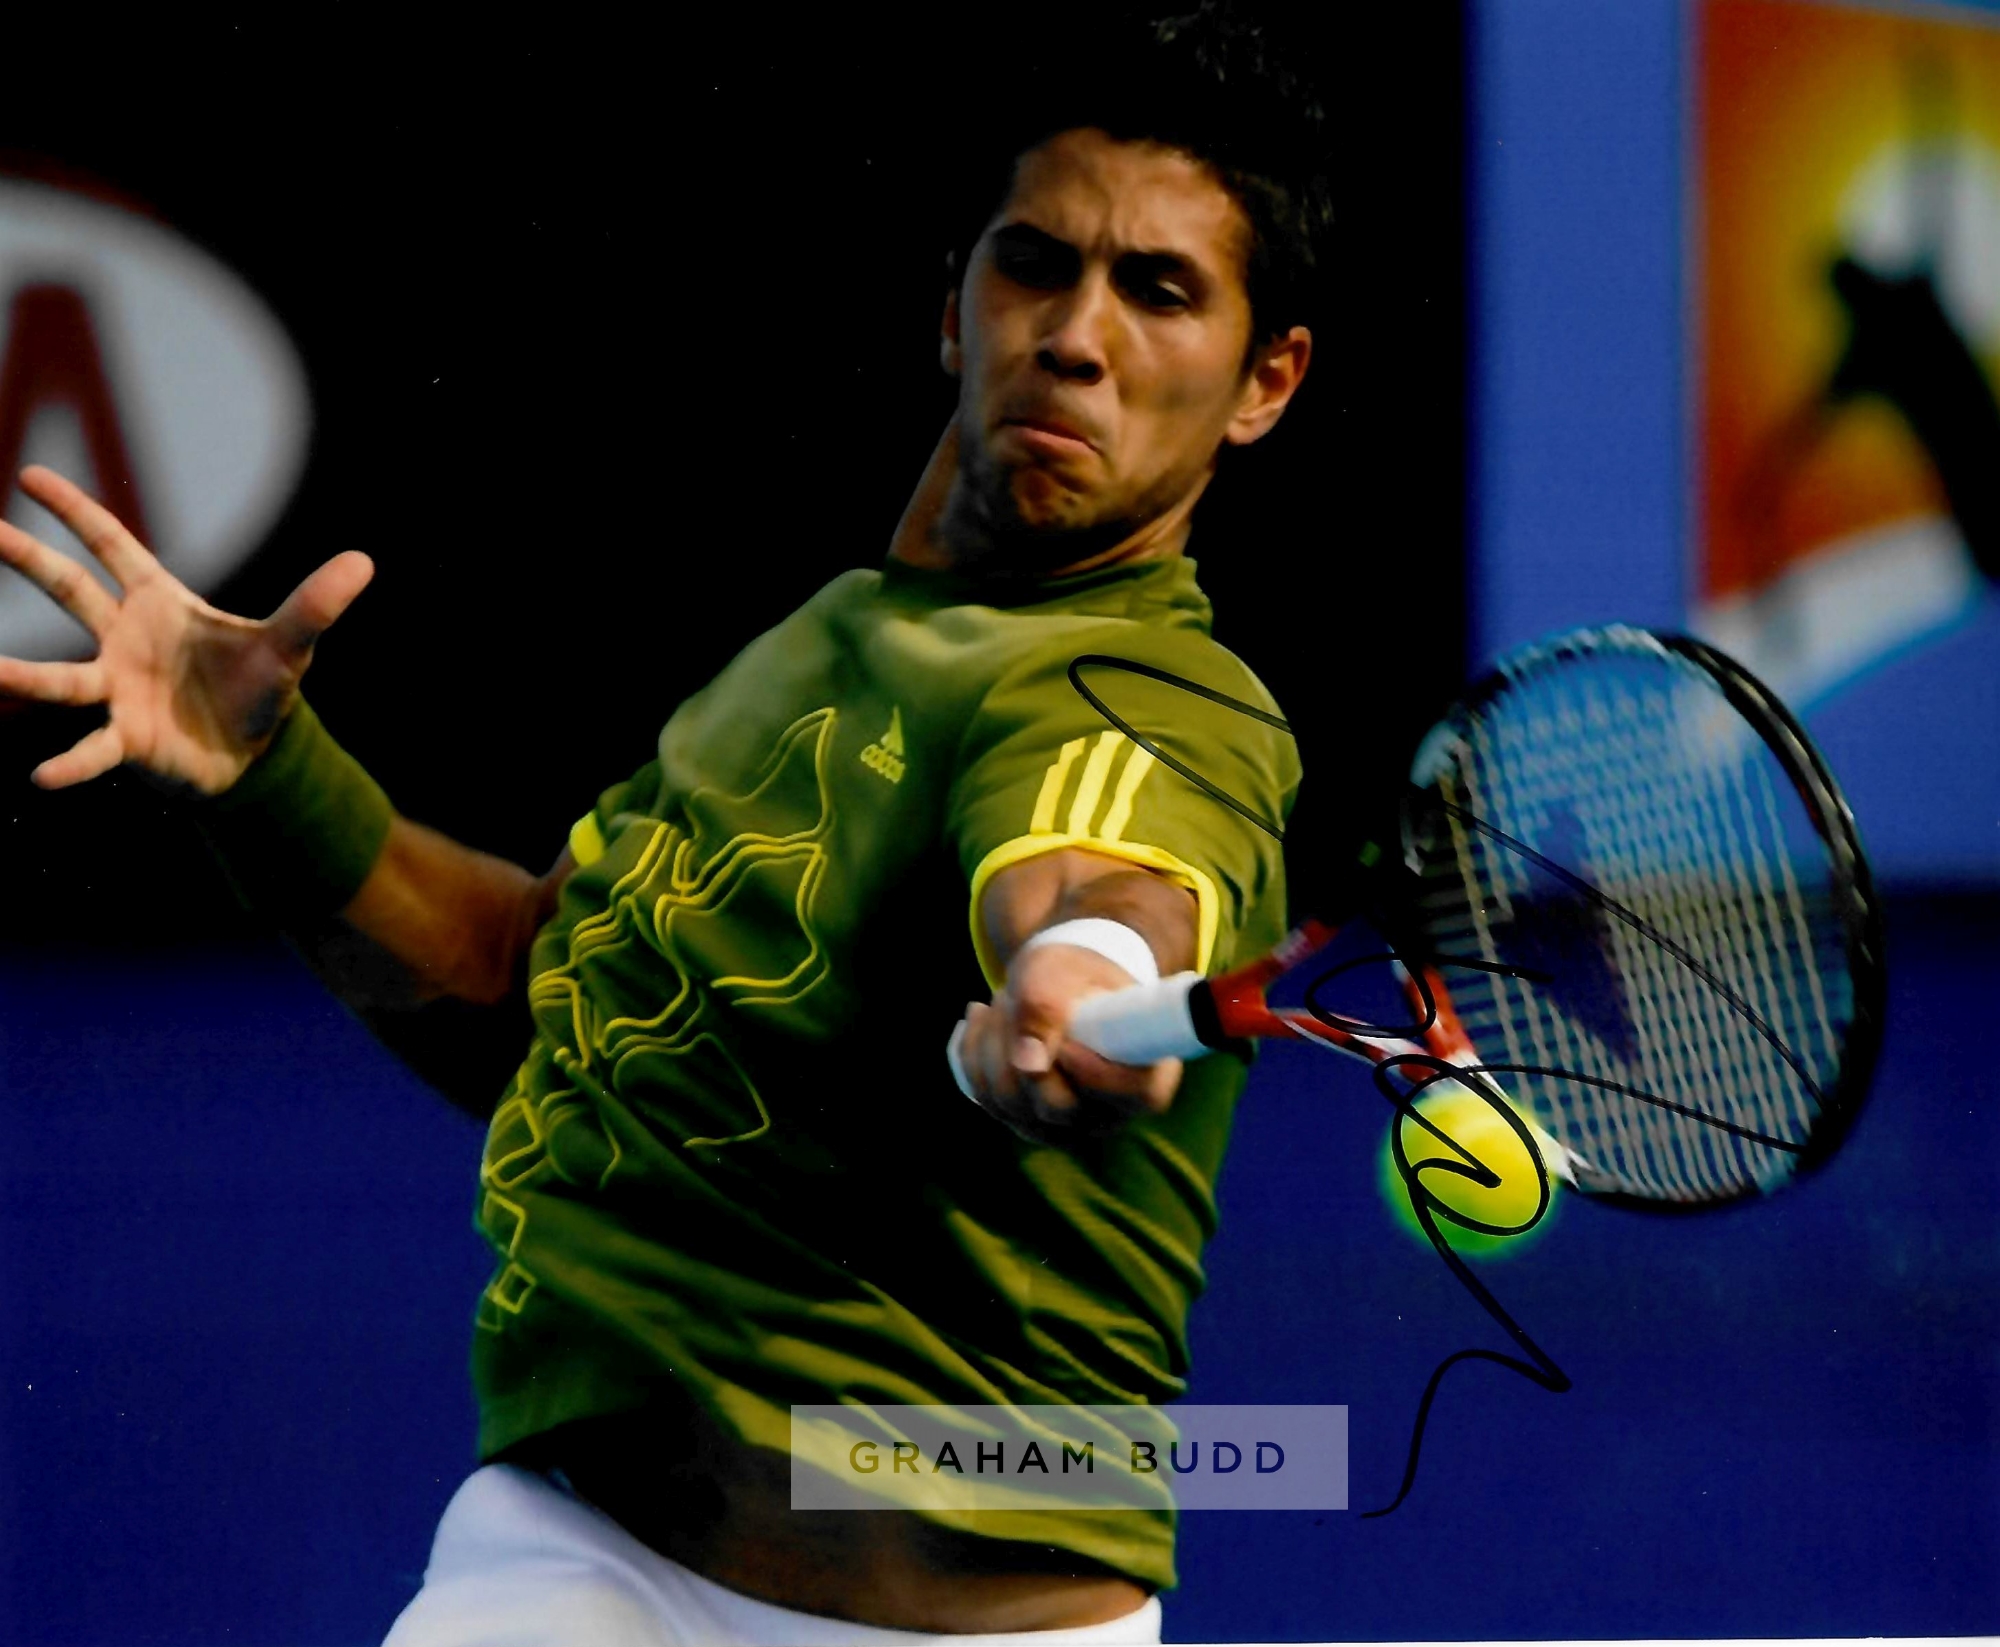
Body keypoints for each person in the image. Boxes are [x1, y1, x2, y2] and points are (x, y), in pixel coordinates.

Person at [0, 11, 1325, 1642]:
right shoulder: (830, 644)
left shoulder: (1145, 690)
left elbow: (1100, 864)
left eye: (1161, 291)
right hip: (573, 1557)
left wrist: (1084, 964)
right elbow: (519, 995)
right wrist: (270, 777)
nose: (1074, 334)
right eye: (1034, 267)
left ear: (1268, 382)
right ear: (953, 305)